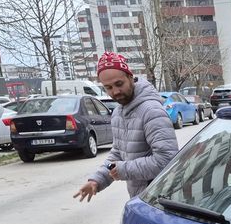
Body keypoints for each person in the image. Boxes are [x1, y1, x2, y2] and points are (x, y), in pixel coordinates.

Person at [73, 52, 179, 202]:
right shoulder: (118, 113)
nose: (115, 92)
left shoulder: (151, 111)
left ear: (130, 77)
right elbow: (117, 153)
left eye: (119, 84)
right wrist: (97, 180)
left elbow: (167, 159)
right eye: (108, 87)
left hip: (162, 199)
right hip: (141, 198)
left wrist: (124, 169)